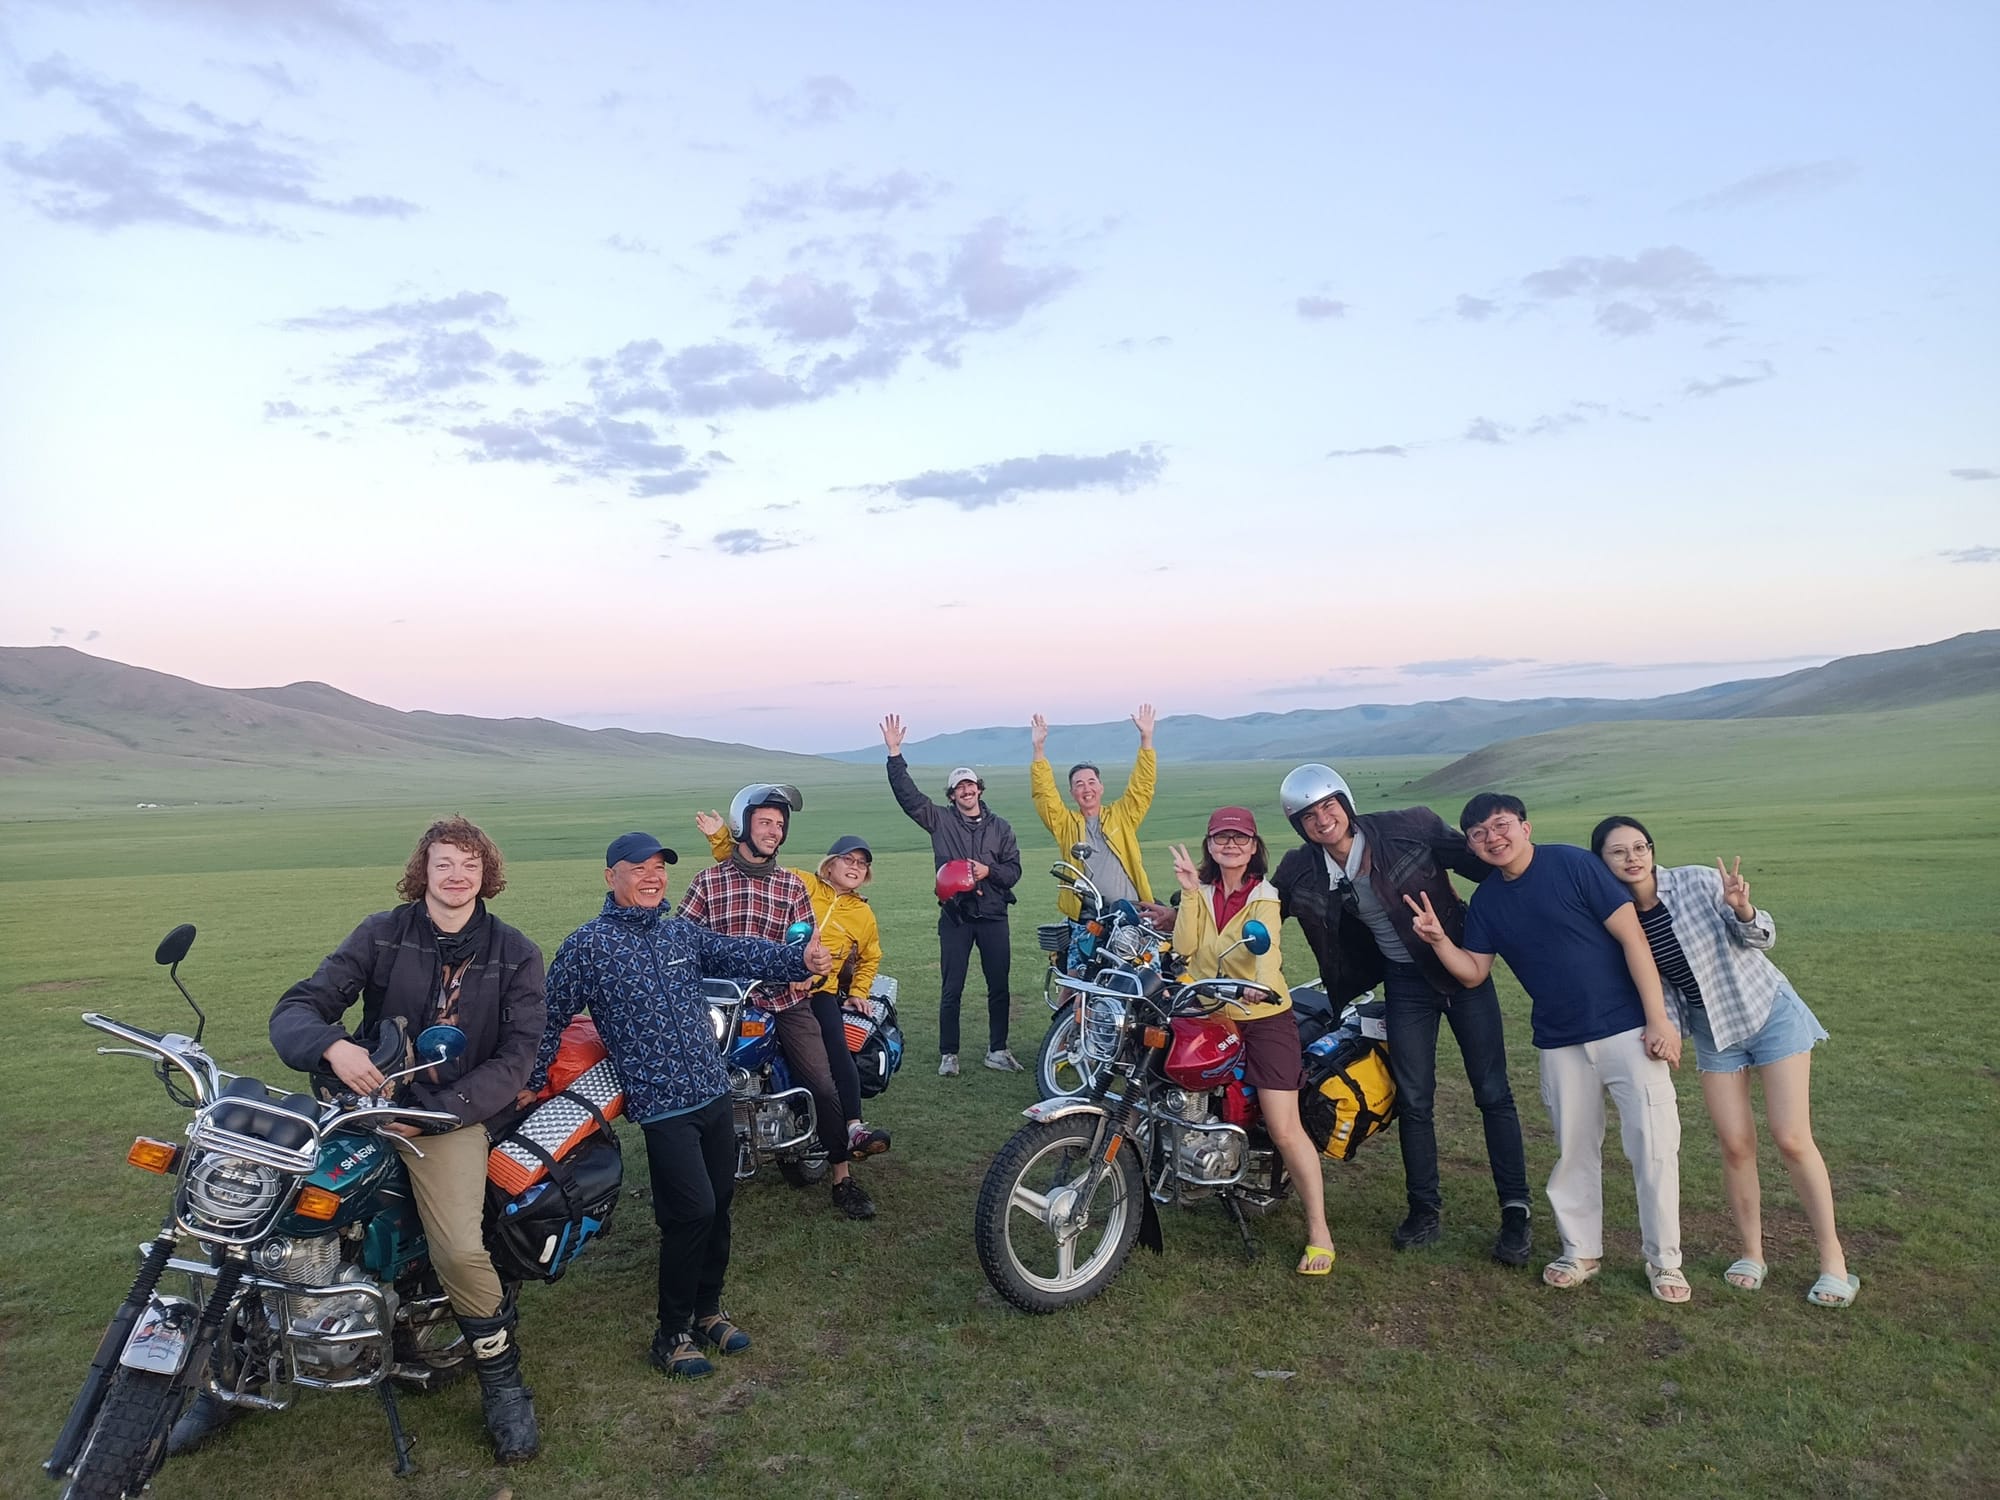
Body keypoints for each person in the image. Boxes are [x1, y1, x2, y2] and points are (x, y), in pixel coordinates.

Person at [235, 817, 545, 1462]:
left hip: (451, 1118)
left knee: (459, 1249)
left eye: (469, 864)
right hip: (363, 1105)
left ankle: (502, 1382)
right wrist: (333, 1046)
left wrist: (435, 1111)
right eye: (444, 863)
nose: (456, 876)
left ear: (486, 873)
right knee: (261, 1211)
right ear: (422, 871)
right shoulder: (382, 933)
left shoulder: (516, 951)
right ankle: (234, 1366)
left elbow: (517, 1058)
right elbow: (300, 1006)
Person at [532, 832, 834, 1379]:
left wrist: (798, 959)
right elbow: (551, 1016)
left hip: (714, 1092)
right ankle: (671, 1333)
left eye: (659, 868)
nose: (653, 878)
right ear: (611, 876)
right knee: (690, 1211)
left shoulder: (679, 932)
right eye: (639, 868)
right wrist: (532, 1082)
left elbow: (739, 951)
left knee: (719, 1204)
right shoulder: (588, 946)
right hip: (661, 1105)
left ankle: (708, 1310)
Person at [1406, 793, 1689, 1303]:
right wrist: (1439, 940)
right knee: (1573, 1150)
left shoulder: (1574, 865)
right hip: (1559, 1040)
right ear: (1471, 845)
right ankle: (1580, 1251)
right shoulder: (1488, 900)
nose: (1492, 839)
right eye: (1478, 834)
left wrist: (1658, 1020)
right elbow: (1474, 972)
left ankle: (1665, 1260)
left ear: (1525, 827)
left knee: (1653, 1146)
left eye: (1501, 826)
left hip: (1628, 1029)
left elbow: (1633, 939)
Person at [1273, 764, 1532, 1265]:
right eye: (1308, 816)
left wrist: (1548, 877)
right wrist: (1187, 912)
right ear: (1298, 826)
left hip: (1462, 969)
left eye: (1328, 806)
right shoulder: (1301, 868)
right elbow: (1259, 907)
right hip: (1404, 983)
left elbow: (1488, 865)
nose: (1322, 820)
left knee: (1493, 1093)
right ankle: (1424, 1210)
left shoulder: (1410, 826)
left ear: (1346, 803)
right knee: (1414, 1099)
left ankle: (1515, 1212)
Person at [1591, 817, 1856, 1307]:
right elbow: (1660, 986)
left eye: (1640, 847)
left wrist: (1743, 909)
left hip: (1767, 1012)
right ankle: (1752, 1254)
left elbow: (1763, 937)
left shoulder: (1696, 881)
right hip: (1713, 1031)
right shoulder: (1618, 917)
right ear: (1601, 862)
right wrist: (1666, 1031)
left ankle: (1833, 1260)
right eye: (1618, 852)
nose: (1633, 858)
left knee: (1792, 1138)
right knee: (1735, 1145)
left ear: (1652, 849)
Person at [679, 785, 880, 1220]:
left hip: (784, 999)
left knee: (822, 1082)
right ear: (743, 825)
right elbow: (680, 940)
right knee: (687, 1084)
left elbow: (808, 947)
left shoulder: (791, 886)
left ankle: (842, 1176)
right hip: (721, 1006)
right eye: (765, 822)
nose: (774, 831)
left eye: (780, 824)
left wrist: (815, 964)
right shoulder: (707, 882)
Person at [1169, 807, 1337, 1277]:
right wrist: (1189, 893)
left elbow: (1267, 950)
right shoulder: (1202, 891)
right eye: (1222, 837)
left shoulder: (1264, 895)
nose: (1231, 845)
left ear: (1254, 846)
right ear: (1209, 845)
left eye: (1240, 838)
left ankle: (1320, 1231)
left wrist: (1259, 985)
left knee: (1284, 1126)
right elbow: (1184, 948)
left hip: (1262, 1014)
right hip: (1210, 1009)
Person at [879, 714, 1023, 1075]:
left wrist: (990, 872)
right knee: (952, 987)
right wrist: (895, 755)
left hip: (993, 915)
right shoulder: (939, 820)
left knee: (999, 987)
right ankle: (949, 1055)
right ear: (952, 795)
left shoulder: (1001, 828)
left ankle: (998, 1050)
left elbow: (1014, 871)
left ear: (980, 789)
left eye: (970, 785)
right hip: (956, 916)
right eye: (959, 788)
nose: (966, 791)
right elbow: (909, 797)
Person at [1029, 704, 1164, 922]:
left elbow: (1142, 787)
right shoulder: (1066, 825)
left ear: (1101, 787)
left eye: (1092, 782)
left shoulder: (1122, 816)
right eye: (1079, 784)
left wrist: (1146, 739)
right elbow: (1045, 796)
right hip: (1088, 918)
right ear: (1072, 793)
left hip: (1132, 914)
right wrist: (1038, 749)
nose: (1087, 789)